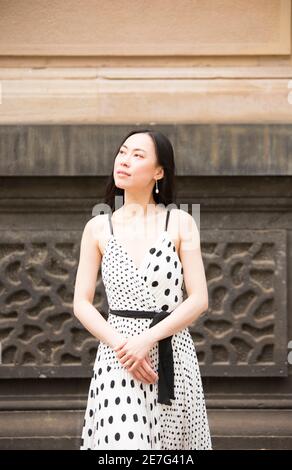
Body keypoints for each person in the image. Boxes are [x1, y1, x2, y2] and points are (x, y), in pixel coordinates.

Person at [73, 129, 212, 450]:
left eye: (138, 155)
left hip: (170, 353)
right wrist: (124, 347)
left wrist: (147, 339)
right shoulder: (98, 226)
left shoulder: (180, 222)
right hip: (117, 356)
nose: (125, 161)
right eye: (123, 152)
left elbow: (199, 299)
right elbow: (81, 303)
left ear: (159, 172)